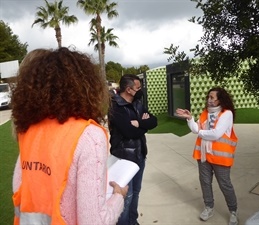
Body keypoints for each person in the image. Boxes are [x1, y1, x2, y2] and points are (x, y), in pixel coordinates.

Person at [11, 47, 128, 225]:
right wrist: (118, 197)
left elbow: (19, 191)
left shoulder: (28, 131)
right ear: (86, 86)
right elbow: (94, 222)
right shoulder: (88, 136)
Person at [176, 87, 239, 225]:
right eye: (208, 97)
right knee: (205, 182)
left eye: (212, 98)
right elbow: (195, 128)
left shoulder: (226, 114)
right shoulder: (205, 113)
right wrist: (190, 119)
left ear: (220, 99)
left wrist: (199, 132)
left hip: (220, 158)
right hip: (203, 155)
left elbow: (215, 134)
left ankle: (233, 211)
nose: (209, 100)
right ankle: (209, 207)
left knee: (225, 184)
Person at [108, 74, 157, 225]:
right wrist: (144, 126)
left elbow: (154, 121)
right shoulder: (116, 107)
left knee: (135, 193)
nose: (140, 90)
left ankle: (132, 221)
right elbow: (129, 132)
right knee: (125, 198)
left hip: (140, 156)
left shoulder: (137, 103)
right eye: (138, 88)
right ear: (128, 89)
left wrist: (139, 123)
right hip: (124, 159)